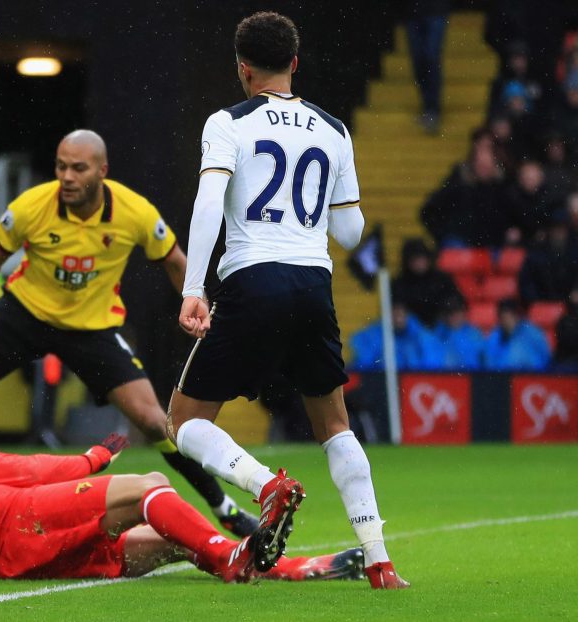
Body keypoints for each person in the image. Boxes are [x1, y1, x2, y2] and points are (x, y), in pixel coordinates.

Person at [0, 129, 261, 538]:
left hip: (92, 327)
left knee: (153, 421)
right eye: (61, 166)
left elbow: (176, 262)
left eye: (79, 168)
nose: (68, 177)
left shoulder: (134, 212)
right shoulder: (31, 207)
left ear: (102, 170)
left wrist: (200, 306)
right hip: (26, 311)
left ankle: (223, 506)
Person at [165, 11, 409, 589]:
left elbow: (207, 205)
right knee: (335, 425)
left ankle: (263, 485)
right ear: (295, 64)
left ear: (242, 69)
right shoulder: (334, 130)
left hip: (253, 278)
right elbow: (349, 235)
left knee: (184, 421)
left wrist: (194, 288)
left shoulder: (227, 122)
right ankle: (378, 559)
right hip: (312, 285)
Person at [0, 396, 365, 582]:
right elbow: (22, 470)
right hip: (16, 522)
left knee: (177, 540)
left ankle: (290, 568)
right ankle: (231, 558)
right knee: (148, 486)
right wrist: (92, 459)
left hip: (14, 555)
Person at [350, 302, 447, 372]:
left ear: (407, 315)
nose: (398, 319)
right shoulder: (372, 336)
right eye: (394, 315)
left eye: (400, 315)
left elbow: (432, 364)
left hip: (413, 382)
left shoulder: (421, 337)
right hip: (382, 382)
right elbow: (364, 362)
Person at [391, 238, 462, 327]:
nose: (420, 263)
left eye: (422, 258)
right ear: (407, 262)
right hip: (411, 331)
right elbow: (397, 311)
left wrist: (451, 311)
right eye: (415, 259)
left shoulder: (442, 279)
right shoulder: (399, 284)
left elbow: (456, 301)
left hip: (441, 328)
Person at [403, 0, 450, 133]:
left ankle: (432, 108)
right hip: (412, 12)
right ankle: (428, 106)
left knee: (431, 57)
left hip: (436, 9)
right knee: (418, 61)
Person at [483, 298, 552, 370]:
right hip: (504, 378)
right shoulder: (494, 337)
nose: (506, 321)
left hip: (532, 376)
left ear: (517, 316)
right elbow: (489, 363)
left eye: (509, 317)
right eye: (503, 318)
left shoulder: (533, 333)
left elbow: (546, 358)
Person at [434, 296, 486, 371]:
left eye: (457, 311)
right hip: (443, 378)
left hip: (469, 377)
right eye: (449, 312)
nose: (453, 316)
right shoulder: (438, 334)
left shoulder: (474, 334)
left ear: (464, 312)